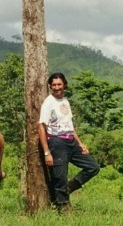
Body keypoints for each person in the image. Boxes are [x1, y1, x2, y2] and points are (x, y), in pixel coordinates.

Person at [38, 72, 100, 211]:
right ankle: (63, 208)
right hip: (57, 142)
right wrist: (47, 152)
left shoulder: (65, 101)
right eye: (53, 85)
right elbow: (41, 127)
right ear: (50, 86)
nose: (56, 87)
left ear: (64, 85)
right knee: (60, 177)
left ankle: (68, 189)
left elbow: (70, 125)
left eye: (59, 84)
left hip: (71, 141)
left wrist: (80, 143)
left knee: (93, 167)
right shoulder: (48, 103)